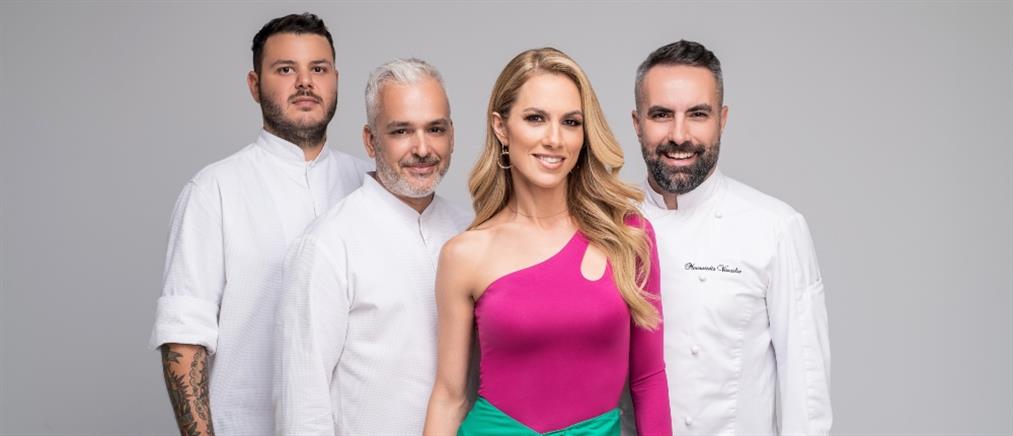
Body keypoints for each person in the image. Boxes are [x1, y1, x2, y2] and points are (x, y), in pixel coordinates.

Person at [424, 47, 672, 435]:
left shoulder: (628, 235)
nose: (555, 139)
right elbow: (449, 396)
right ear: (501, 127)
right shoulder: (464, 255)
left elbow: (648, 379)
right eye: (535, 118)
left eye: (571, 122)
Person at [148, 13, 370, 436]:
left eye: (318, 69)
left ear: (336, 80)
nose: (305, 83)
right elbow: (184, 336)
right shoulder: (214, 190)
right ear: (254, 85)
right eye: (285, 69)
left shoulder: (368, 186)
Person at [630, 40, 832, 435]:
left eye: (698, 114)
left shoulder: (775, 227)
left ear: (722, 120)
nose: (679, 135)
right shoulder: (607, 224)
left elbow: (807, 396)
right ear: (637, 123)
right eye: (661, 115)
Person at [274, 58, 470, 436]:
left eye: (435, 129)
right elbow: (302, 408)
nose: (422, 148)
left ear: (452, 135)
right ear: (370, 140)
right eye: (401, 131)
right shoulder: (327, 245)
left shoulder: (472, 231)